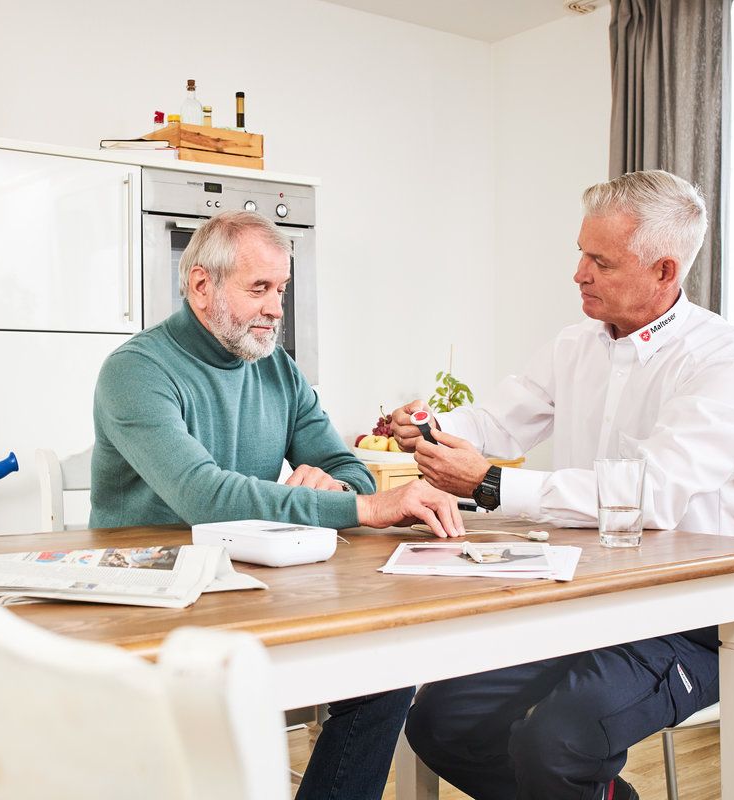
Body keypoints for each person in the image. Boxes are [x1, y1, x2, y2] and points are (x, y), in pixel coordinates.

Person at [392, 170, 734, 800]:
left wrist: (491, 485)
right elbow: (495, 423)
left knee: (555, 744)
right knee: (439, 724)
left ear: (663, 271)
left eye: (599, 260)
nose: (578, 273)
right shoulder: (575, 345)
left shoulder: (725, 363)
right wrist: (429, 429)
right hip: (581, 603)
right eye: (580, 252)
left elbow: (646, 496)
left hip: (687, 619)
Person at [91, 209, 464, 800]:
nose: (275, 309)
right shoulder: (136, 371)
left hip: (249, 587)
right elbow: (203, 495)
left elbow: (347, 470)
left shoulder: (279, 371)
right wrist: (363, 510)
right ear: (201, 286)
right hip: (155, 602)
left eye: (281, 290)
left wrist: (340, 491)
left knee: (386, 671)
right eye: (259, 288)